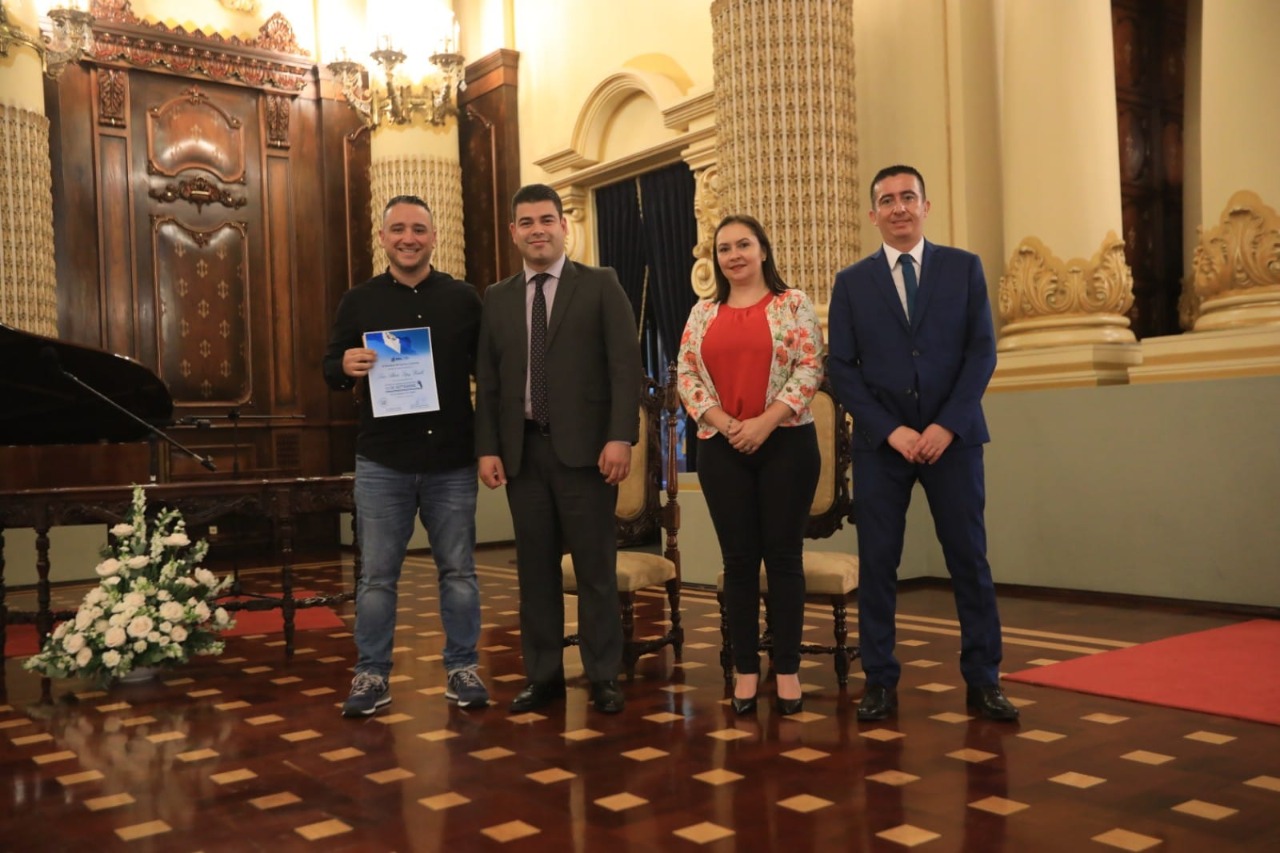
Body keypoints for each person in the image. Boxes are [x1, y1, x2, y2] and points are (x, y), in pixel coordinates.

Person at [827, 165, 1018, 722]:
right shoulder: (851, 283)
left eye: (908, 197)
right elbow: (842, 368)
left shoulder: (963, 268)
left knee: (969, 561)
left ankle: (984, 681)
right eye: (887, 200)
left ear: (925, 206)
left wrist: (945, 425)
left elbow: (981, 352)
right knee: (878, 565)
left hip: (953, 441)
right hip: (882, 445)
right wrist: (893, 430)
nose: (899, 208)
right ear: (873, 215)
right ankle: (879, 682)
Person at [475, 184, 642, 715]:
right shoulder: (497, 297)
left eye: (546, 220)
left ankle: (603, 675)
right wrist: (487, 448)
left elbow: (625, 368)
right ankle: (543, 676)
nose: (537, 230)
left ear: (564, 225)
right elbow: (489, 381)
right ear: (513, 232)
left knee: (595, 571)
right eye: (526, 222)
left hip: (588, 455)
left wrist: (621, 436)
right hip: (523, 455)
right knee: (536, 574)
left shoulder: (600, 284)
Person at [323, 195, 489, 717]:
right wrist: (344, 365)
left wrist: (491, 446)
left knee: (459, 573)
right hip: (383, 462)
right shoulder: (358, 301)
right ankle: (371, 675)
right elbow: (330, 366)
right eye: (398, 229)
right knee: (376, 578)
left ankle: (463, 668)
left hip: (452, 460)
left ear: (434, 237)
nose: (408, 238)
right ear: (383, 237)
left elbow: (490, 373)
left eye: (419, 229)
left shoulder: (464, 299)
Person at [677, 214, 824, 716]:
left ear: (762, 250)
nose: (734, 255)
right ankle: (744, 670)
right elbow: (687, 374)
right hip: (722, 448)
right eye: (724, 248)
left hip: (787, 443)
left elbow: (810, 366)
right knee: (738, 562)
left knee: (783, 559)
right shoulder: (701, 312)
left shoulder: (793, 303)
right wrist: (726, 424)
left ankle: (787, 670)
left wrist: (765, 422)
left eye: (743, 245)